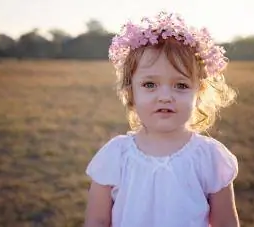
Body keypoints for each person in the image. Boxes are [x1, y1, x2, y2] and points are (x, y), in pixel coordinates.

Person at [84, 11, 240, 227]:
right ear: (130, 92)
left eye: (181, 85)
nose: (165, 96)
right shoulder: (116, 156)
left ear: (199, 92)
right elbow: (97, 221)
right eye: (150, 85)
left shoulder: (210, 157)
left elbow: (226, 223)